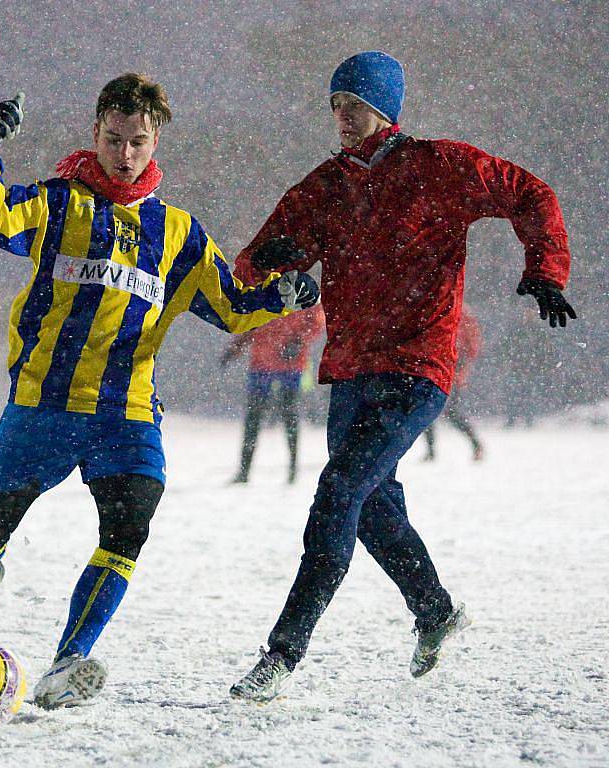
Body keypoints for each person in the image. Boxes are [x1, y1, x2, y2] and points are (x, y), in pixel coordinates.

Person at [0, 73, 319, 709]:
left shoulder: (179, 233)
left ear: (156, 139)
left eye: (138, 141)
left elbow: (229, 305)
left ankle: (69, 660)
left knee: (129, 523)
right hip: (43, 403)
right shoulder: (58, 204)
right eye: (114, 139)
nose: (125, 153)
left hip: (127, 411)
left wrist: (279, 296)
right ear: (95, 133)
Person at [229, 51, 576, 702]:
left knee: (337, 491)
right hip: (352, 367)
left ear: (385, 109)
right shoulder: (323, 187)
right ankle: (436, 611)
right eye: (335, 106)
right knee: (368, 506)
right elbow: (256, 265)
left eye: (354, 105)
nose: (342, 117)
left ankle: (281, 656)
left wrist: (545, 270)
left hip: (420, 363)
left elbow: (531, 193)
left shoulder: (439, 165)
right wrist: (270, 271)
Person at [222, 303, 325, 484]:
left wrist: (299, 341)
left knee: (281, 416)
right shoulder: (273, 282)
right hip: (268, 362)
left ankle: (288, 470)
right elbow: (250, 320)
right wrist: (236, 346)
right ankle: (249, 470)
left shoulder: (292, 282)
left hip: (284, 363)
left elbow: (316, 320)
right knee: (263, 417)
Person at [422, 308, 484, 461]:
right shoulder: (445, 312)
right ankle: (431, 450)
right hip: (438, 371)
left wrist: (459, 367)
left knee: (442, 411)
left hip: (449, 373)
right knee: (426, 410)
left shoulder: (462, 316)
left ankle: (475, 444)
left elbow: (471, 348)